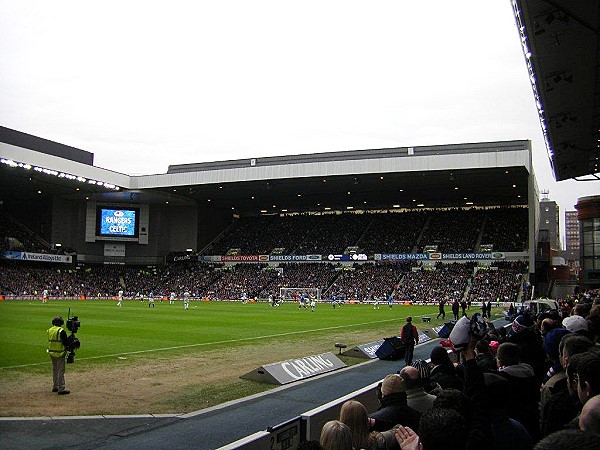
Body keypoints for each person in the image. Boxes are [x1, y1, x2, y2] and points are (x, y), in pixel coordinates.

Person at [47, 316, 70, 395]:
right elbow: (65, 343)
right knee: (61, 371)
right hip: (59, 353)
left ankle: (55, 386)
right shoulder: (61, 331)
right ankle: (61, 388)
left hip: (51, 352)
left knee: (55, 370)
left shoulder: (50, 330)